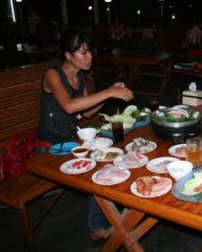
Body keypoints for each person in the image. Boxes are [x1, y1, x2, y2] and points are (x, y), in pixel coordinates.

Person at [36, 28, 134, 245]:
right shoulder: (53, 75)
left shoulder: (79, 76)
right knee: (98, 169)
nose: (90, 57)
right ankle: (99, 226)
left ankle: (102, 223)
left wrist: (109, 91)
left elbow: (88, 112)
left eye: (90, 52)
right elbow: (70, 107)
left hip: (71, 142)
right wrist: (108, 93)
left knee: (110, 159)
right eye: (83, 52)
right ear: (68, 55)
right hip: (50, 147)